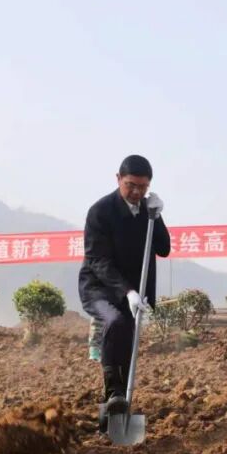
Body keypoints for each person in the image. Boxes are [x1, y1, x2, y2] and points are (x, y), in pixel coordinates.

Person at [78, 154, 170, 432]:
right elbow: (98, 260)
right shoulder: (100, 212)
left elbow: (164, 248)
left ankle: (114, 412)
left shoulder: (147, 212)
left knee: (128, 345)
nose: (136, 192)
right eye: (131, 185)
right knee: (115, 321)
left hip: (134, 292)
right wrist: (127, 291)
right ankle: (113, 393)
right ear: (118, 179)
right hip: (100, 288)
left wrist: (157, 216)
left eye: (143, 187)